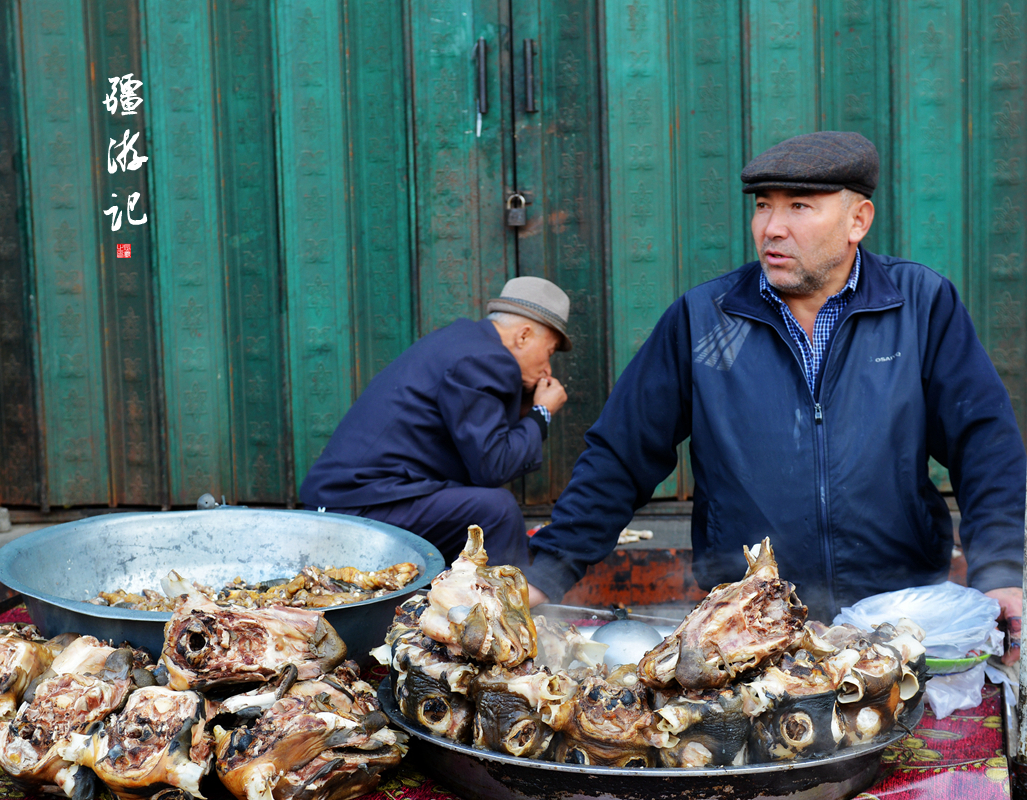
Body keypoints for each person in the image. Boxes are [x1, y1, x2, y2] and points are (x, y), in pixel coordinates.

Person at [525, 131, 1027, 662]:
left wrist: (999, 573)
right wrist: (546, 571)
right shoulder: (705, 319)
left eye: (800, 206)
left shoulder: (920, 306)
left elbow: (984, 445)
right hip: (744, 625)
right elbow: (619, 457)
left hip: (899, 621)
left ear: (858, 220)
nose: (772, 228)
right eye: (764, 206)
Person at [300, 277, 570, 584]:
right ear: (523, 336)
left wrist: (521, 407)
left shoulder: (464, 341)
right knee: (498, 510)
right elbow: (492, 466)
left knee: (483, 510)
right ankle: (510, 618)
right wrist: (541, 413)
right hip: (356, 510)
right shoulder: (487, 358)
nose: (548, 368)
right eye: (548, 352)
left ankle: (452, 608)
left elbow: (476, 446)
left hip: (352, 502)